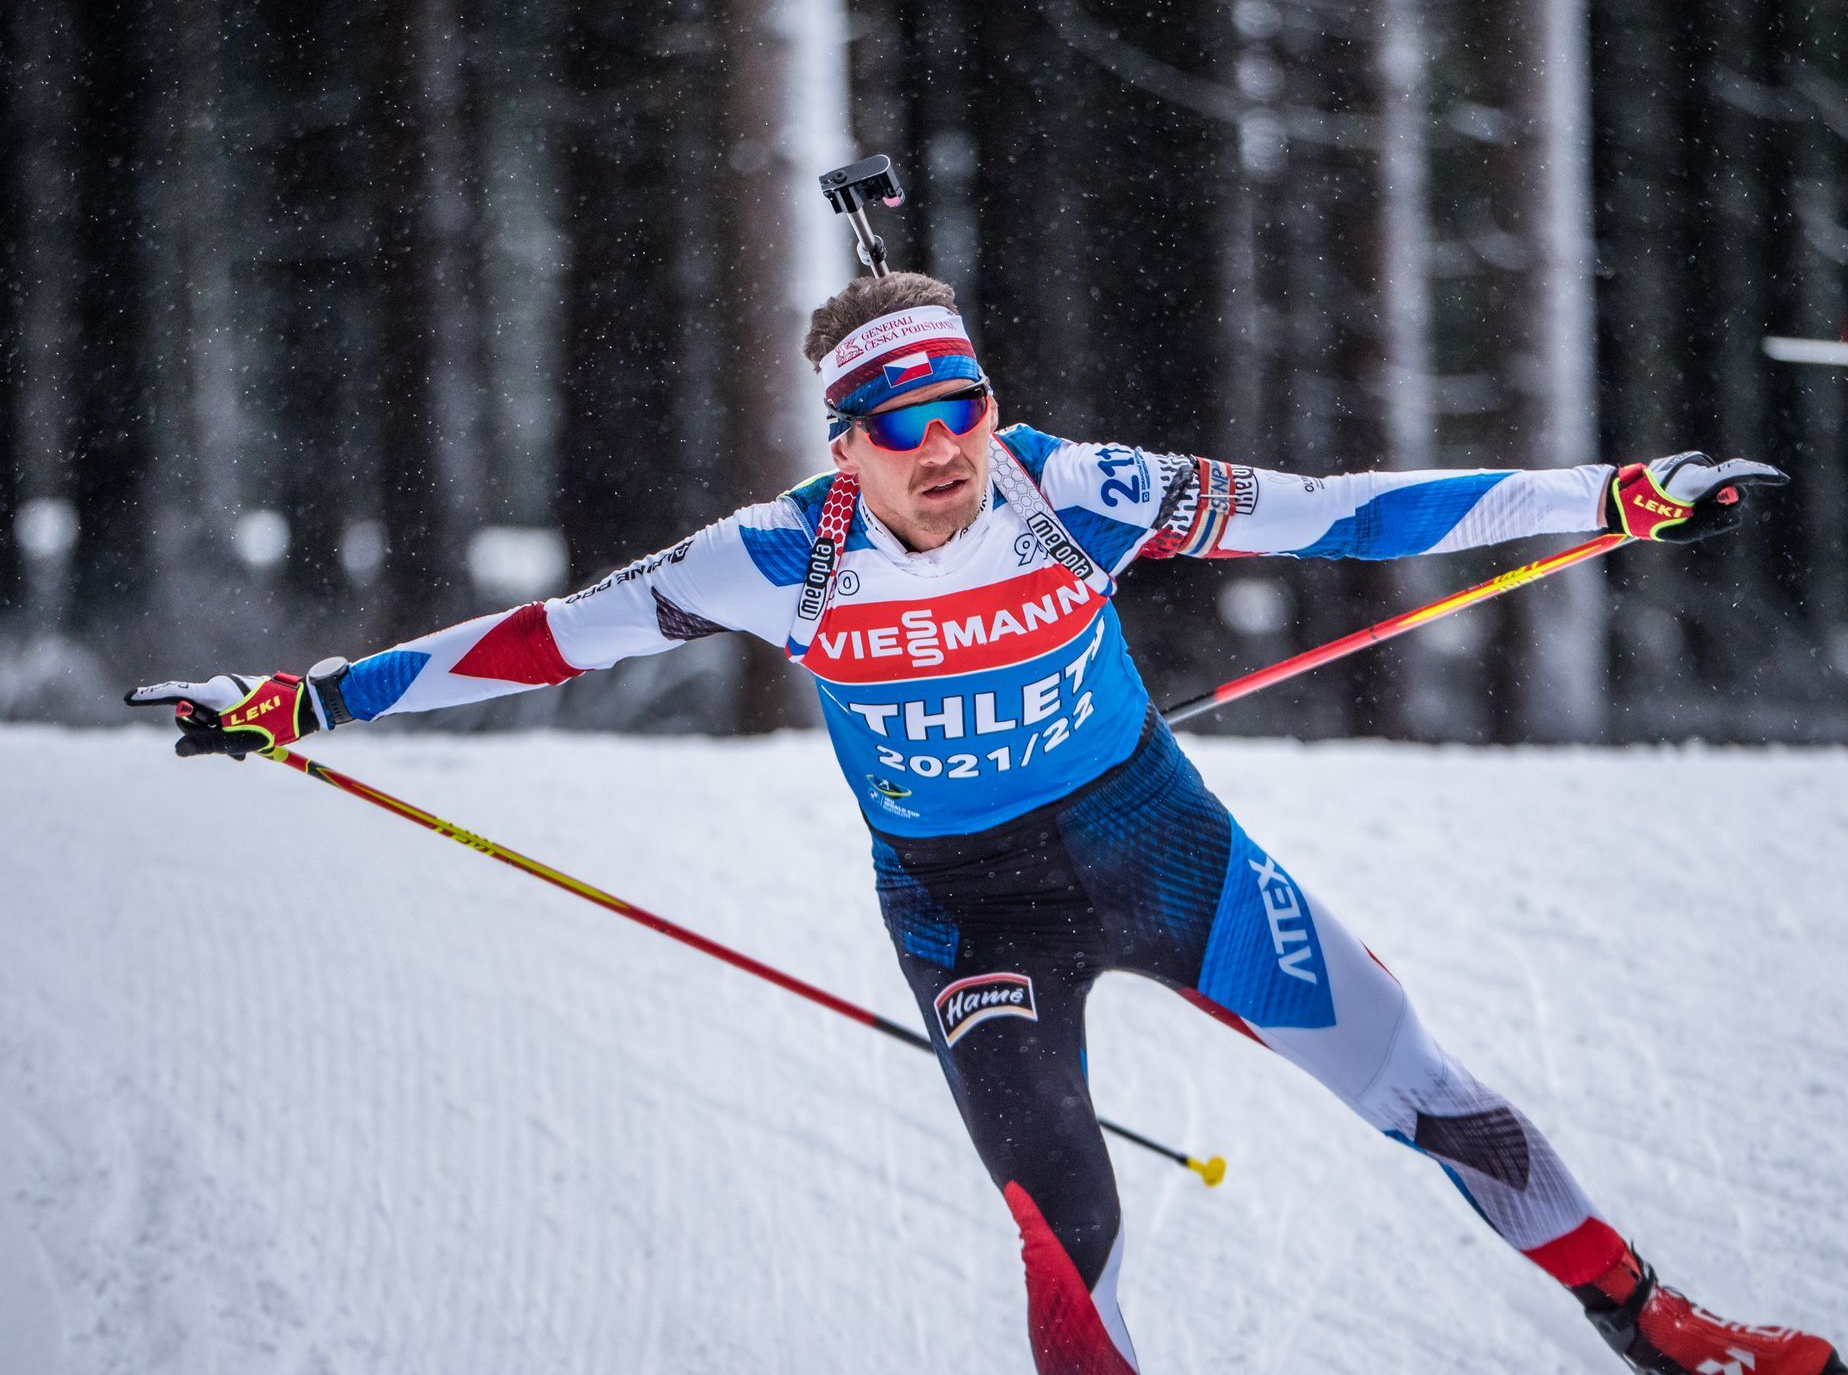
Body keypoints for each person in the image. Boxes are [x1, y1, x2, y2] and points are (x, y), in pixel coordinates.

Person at [129, 273, 1837, 1375]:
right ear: (844, 440)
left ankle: (1651, 1320)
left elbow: (1342, 511)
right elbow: (533, 638)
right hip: (966, 917)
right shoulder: (778, 555)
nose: (947, 447)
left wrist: (1613, 494)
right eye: (904, 422)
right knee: (1061, 1227)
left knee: (1430, 1088)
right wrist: (310, 697)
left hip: (1165, 852)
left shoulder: (1073, 490)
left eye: (968, 406)